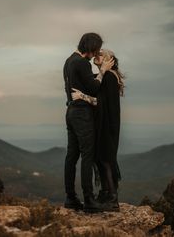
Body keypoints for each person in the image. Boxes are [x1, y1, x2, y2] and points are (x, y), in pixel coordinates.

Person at [63, 33, 114, 213]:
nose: (96, 53)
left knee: (71, 156)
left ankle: (70, 197)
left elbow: (81, 84)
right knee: (87, 156)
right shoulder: (82, 63)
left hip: (70, 111)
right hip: (82, 115)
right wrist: (102, 71)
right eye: (96, 49)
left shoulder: (69, 61)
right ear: (91, 48)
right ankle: (89, 200)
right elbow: (93, 87)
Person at [71, 49, 125, 212]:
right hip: (109, 124)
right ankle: (106, 193)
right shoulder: (108, 76)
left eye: (101, 55)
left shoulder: (108, 77)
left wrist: (81, 96)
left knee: (105, 160)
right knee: (104, 159)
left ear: (110, 61)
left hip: (107, 125)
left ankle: (113, 199)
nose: (96, 56)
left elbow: (99, 102)